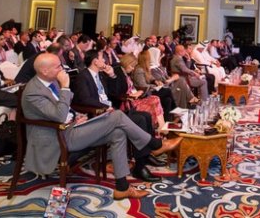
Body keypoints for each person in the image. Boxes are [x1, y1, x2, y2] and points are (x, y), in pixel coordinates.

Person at [21, 53, 181, 199]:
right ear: (44, 70)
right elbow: (59, 116)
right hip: (57, 137)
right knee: (117, 116)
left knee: (118, 132)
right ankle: (155, 144)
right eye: (58, 66)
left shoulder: (51, 81)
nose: (62, 69)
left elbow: (64, 108)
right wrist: (65, 87)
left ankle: (122, 187)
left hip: (71, 127)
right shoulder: (33, 92)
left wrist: (76, 115)